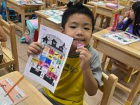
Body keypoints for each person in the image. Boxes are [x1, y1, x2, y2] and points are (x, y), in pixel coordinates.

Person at [27, 4, 102, 105]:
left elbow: (92, 92)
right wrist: (32, 54)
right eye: (73, 26)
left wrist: (86, 68)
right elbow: (39, 68)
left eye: (86, 28)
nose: (80, 32)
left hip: (71, 102)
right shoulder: (54, 46)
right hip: (47, 93)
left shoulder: (93, 55)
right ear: (63, 31)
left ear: (92, 33)